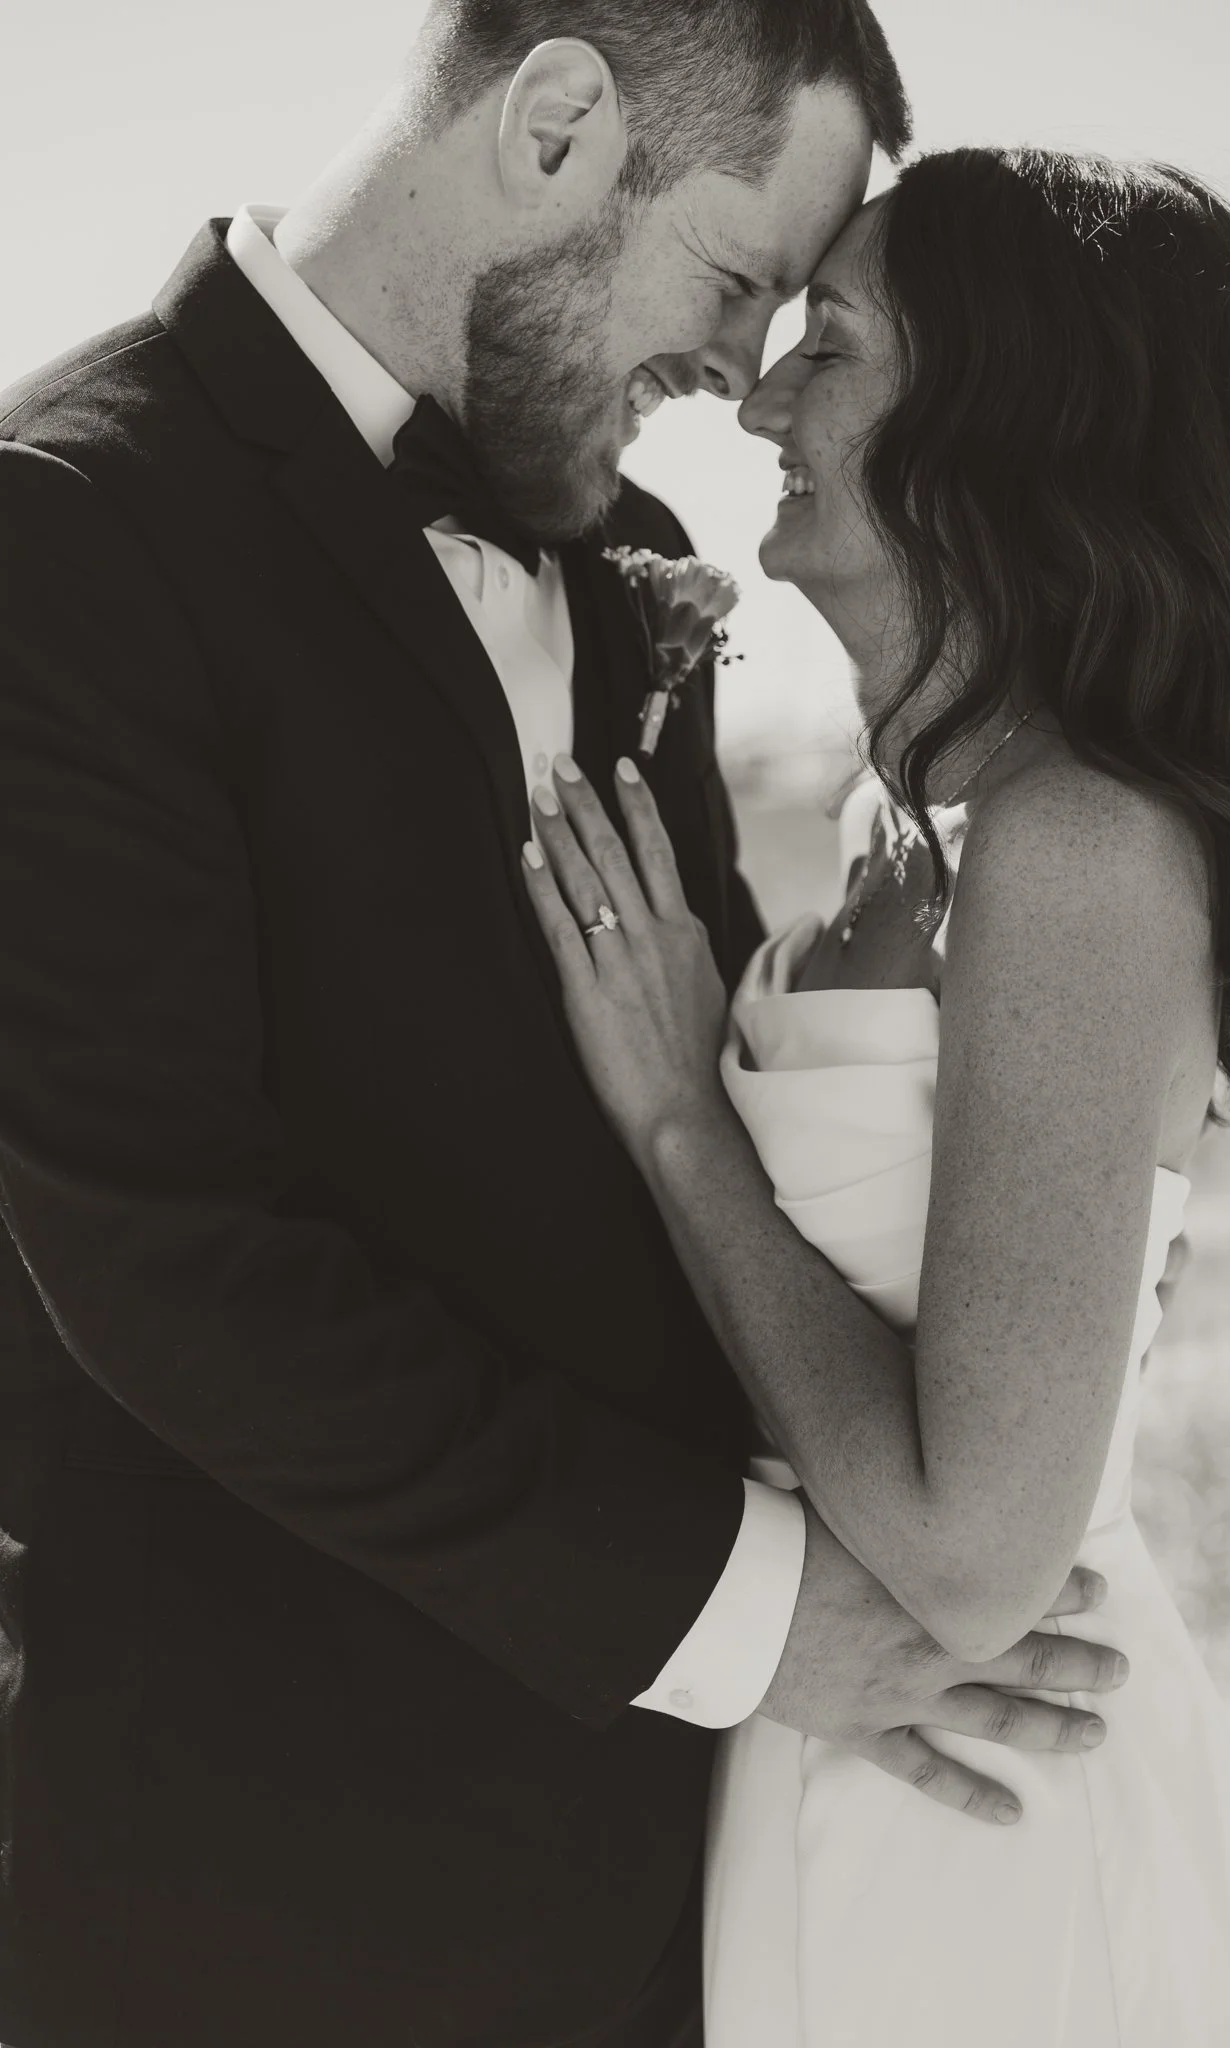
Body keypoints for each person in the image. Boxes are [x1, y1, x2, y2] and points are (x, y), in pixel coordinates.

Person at [0, 14, 1130, 2047]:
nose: (741, 377)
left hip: (684, 1887)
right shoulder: (61, 534)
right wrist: (785, 1620)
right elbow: (174, 1263)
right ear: (552, 119)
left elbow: (674, 1144)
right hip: (263, 1917)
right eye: (729, 283)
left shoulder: (630, 579)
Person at [523, 150, 1230, 2044]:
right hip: (846, 1738)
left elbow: (984, 1553)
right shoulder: (899, 827)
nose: (757, 400)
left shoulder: (1075, 849)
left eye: (830, 345)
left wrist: (675, 1114)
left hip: (995, 1826)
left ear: (1007, 421)